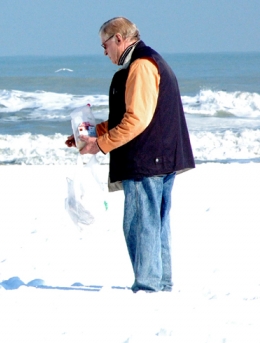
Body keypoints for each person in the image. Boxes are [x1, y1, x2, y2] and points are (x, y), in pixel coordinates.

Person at [66, 17, 195, 293]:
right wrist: (91, 135)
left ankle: (148, 285)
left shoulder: (142, 65)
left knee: (140, 223)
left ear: (119, 39)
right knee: (155, 222)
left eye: (105, 45)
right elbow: (130, 115)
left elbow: (136, 120)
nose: (104, 52)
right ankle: (160, 283)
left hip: (147, 160)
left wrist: (100, 145)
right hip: (161, 157)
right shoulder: (148, 61)